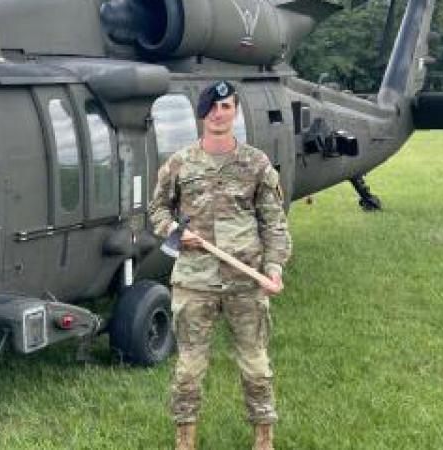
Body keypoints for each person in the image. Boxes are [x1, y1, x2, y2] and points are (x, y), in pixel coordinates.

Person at [148, 80, 292, 450]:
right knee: (188, 370)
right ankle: (185, 441)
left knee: (256, 366)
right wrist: (178, 234)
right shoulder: (181, 163)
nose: (219, 112)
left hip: (246, 281)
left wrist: (274, 267)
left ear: (236, 112)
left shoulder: (255, 163)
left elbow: (274, 222)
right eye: (212, 106)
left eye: (226, 106)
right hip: (194, 281)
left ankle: (264, 440)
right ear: (201, 112)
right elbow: (157, 211)